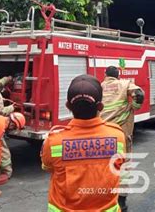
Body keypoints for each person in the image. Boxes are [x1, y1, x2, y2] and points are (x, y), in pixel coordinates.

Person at [41, 74, 126, 211]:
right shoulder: (117, 136)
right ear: (100, 106)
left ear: (68, 106)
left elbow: (47, 167)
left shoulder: (54, 141)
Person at [100, 66, 144, 211]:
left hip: (103, 134)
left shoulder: (99, 87)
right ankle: (121, 202)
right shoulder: (125, 84)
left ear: (105, 75)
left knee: (104, 166)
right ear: (118, 75)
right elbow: (139, 93)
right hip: (122, 133)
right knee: (123, 166)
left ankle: (105, 199)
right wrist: (135, 106)